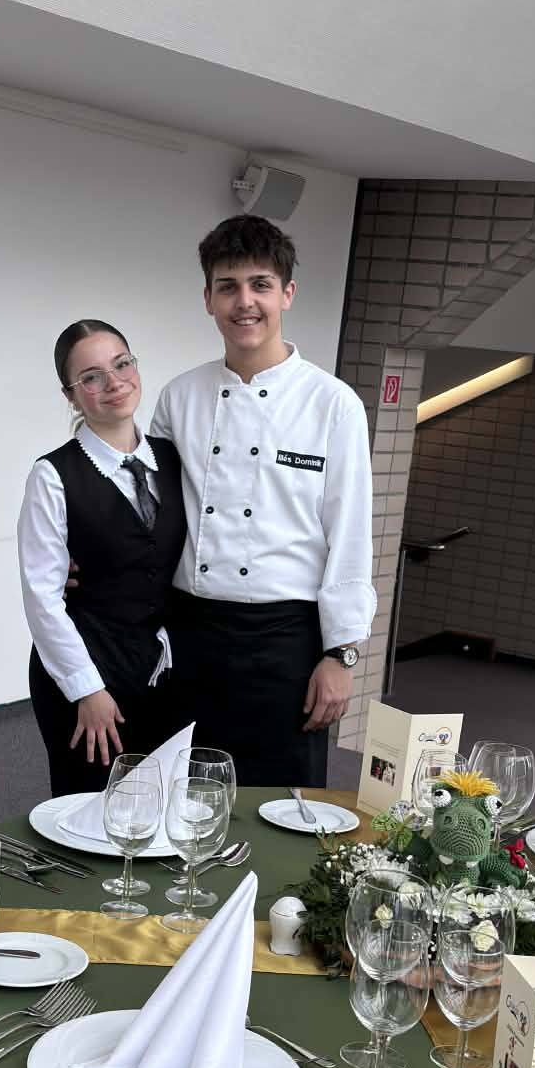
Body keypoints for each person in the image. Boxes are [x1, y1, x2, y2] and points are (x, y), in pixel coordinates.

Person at [149, 216, 374, 788]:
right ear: (208, 299)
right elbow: (150, 516)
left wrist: (341, 654)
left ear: (287, 294)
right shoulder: (180, 397)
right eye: (227, 287)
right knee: (184, 793)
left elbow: (349, 534)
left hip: (285, 640)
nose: (244, 302)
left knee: (281, 802)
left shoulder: (333, 404)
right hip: (191, 632)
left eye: (260, 285)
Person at [17, 320, 186, 795]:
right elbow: (42, 599)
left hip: (160, 671)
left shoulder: (174, 459)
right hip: (85, 670)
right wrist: (86, 689)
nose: (113, 383)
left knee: (158, 804)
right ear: (71, 396)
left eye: (121, 364)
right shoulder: (52, 476)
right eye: (91, 377)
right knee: (86, 809)